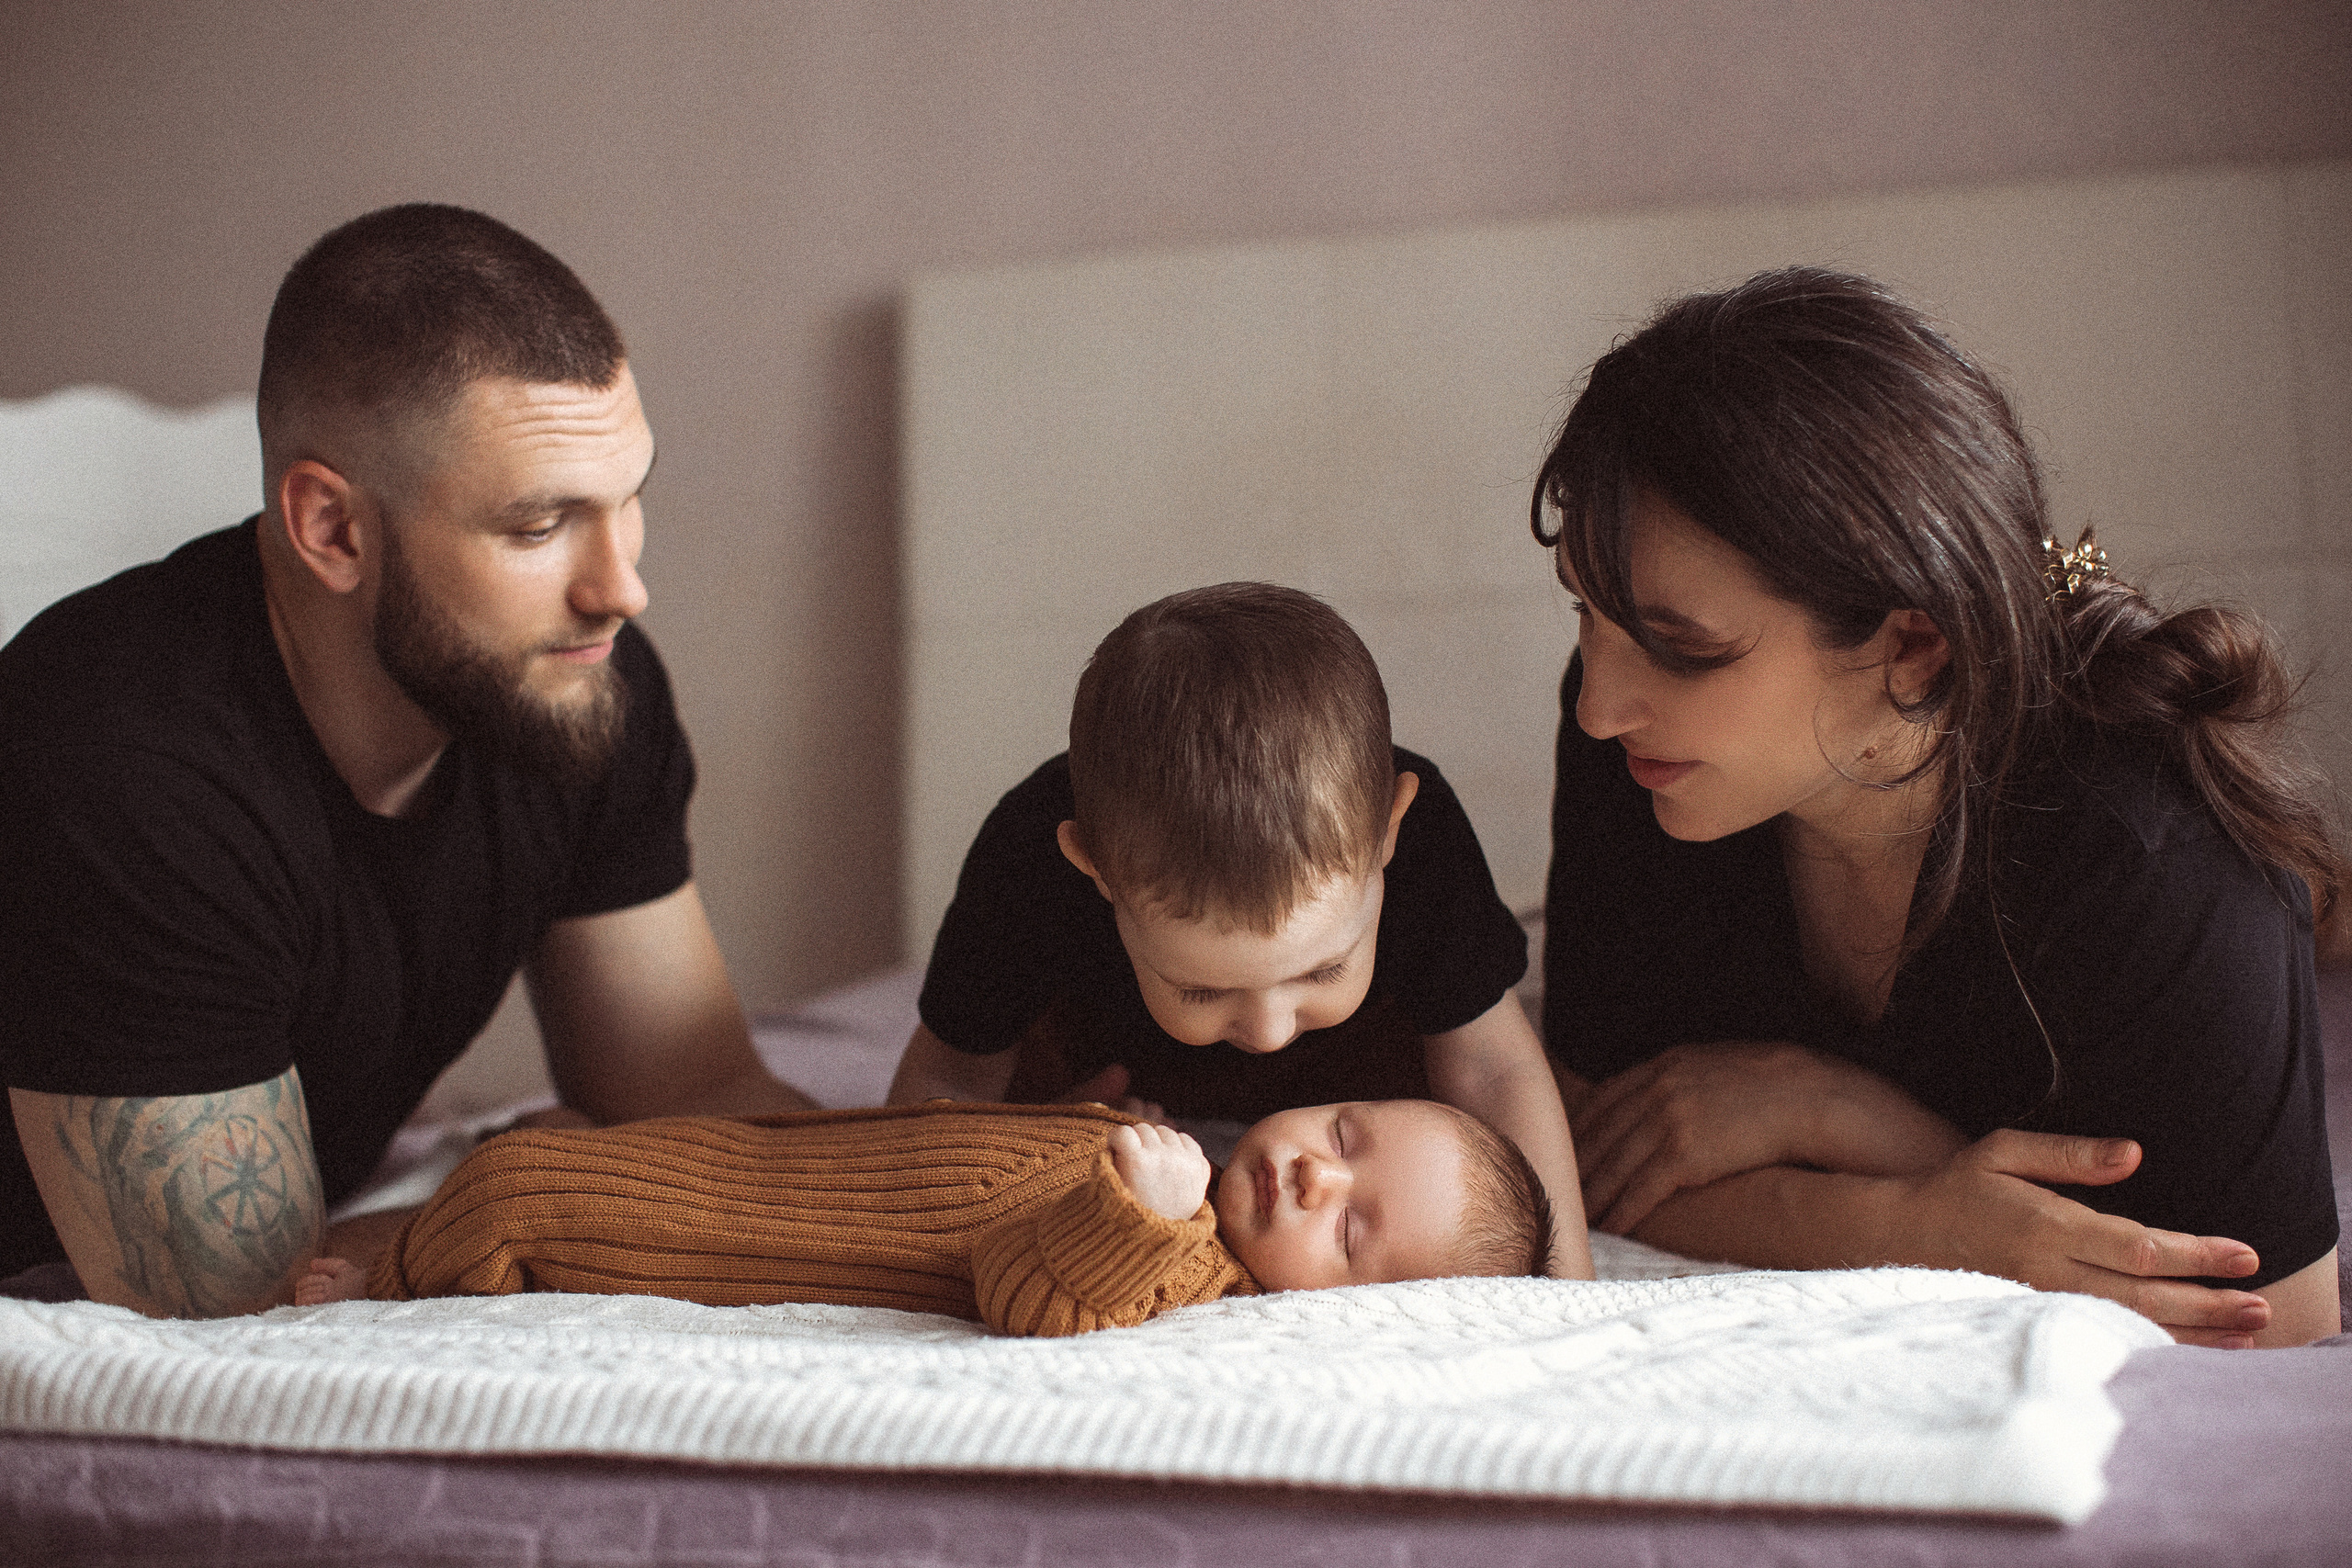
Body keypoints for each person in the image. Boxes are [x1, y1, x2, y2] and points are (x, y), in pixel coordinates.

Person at [0, 203, 815, 1319]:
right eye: (539, 527)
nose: (620, 588)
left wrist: (986, 1166)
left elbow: (693, 1093)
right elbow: (233, 1312)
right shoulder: (124, 764)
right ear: (332, 529)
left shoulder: (567, 683)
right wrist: (520, 1189)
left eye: (629, 502)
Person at [1532, 265, 2341, 1347]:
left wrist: (1836, 1119)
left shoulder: (2153, 859)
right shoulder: (1646, 755)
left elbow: (2268, 1332)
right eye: (1586, 615)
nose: (1598, 705)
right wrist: (1919, 1220)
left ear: (1913, 646)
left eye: (1683, 650)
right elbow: (1586, 1157)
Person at [886, 582, 1591, 1278]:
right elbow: (946, 1083)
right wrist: (1028, 1146)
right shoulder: (1027, 860)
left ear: (1387, 836)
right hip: (1116, 1094)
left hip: (1366, 1084)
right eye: (1201, 989)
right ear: (1097, 871)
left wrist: (1571, 1293)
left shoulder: (1427, 845)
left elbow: (1494, 1069)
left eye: (1322, 970)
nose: (1269, 1030)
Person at [292, 1096, 1555, 1337]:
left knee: (518, 1187)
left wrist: (1132, 1209)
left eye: (1352, 1233)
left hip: (753, 1229)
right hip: (789, 1161)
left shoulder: (1181, 1264)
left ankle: (390, 1283)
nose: (1318, 1178)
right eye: (1344, 1135)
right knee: (587, 1149)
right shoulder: (1192, 1173)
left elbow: (1036, 1296)